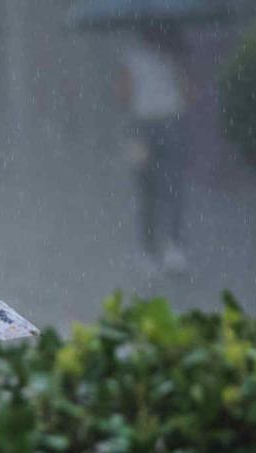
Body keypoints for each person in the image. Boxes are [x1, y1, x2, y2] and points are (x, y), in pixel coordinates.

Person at [116, 26, 191, 276]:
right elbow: (186, 90)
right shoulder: (172, 56)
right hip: (166, 123)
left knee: (148, 188)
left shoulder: (133, 58)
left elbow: (123, 96)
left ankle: (151, 250)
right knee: (169, 187)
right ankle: (170, 247)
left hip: (144, 126)